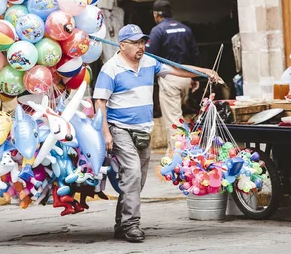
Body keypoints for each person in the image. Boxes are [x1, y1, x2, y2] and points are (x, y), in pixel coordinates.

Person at [93, 24, 219, 243]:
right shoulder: (110, 69)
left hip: (143, 130)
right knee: (132, 174)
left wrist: (203, 72)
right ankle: (132, 225)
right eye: (135, 43)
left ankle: (121, 224)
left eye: (142, 42)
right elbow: (100, 102)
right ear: (122, 45)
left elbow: (177, 69)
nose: (140, 47)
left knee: (137, 180)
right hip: (120, 128)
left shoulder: (150, 63)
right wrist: (106, 133)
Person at [146, 0, 201, 155]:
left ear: (156, 14)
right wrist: (195, 78)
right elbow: (196, 55)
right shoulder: (185, 29)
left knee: (173, 121)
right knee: (179, 117)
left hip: (170, 78)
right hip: (186, 79)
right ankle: (174, 152)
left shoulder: (157, 31)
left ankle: (181, 156)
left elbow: (151, 57)